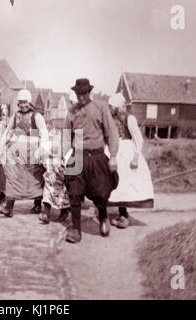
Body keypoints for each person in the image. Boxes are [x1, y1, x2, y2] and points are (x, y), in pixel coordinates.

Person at [64, 79, 119, 243]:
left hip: (97, 156)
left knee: (101, 192)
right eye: (79, 94)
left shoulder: (100, 107)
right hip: (78, 155)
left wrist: (113, 156)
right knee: (74, 192)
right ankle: (76, 230)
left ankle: (103, 217)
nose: (81, 97)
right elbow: (67, 136)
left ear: (89, 93)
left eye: (84, 93)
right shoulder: (72, 111)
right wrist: (62, 156)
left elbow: (111, 132)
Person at [0, 89, 49, 217]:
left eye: (25, 102)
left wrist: (42, 150)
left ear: (29, 102)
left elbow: (44, 133)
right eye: (20, 103)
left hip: (33, 151)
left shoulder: (36, 116)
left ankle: (37, 204)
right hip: (18, 152)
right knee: (13, 175)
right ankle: (9, 207)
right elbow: (8, 131)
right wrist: (2, 146)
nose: (22, 105)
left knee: (35, 178)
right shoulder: (15, 115)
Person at [106, 93, 154, 228]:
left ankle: (124, 215)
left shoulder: (129, 119)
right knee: (119, 185)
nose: (110, 109)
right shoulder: (113, 119)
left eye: (112, 107)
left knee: (128, 184)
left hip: (128, 154)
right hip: (117, 154)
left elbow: (138, 140)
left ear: (117, 107)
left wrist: (135, 158)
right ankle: (122, 214)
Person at [38, 136, 71, 224]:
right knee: (46, 199)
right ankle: (46, 214)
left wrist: (60, 174)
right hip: (49, 183)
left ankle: (64, 212)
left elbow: (63, 172)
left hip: (58, 184)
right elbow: (44, 165)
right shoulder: (48, 160)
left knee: (62, 199)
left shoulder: (59, 161)